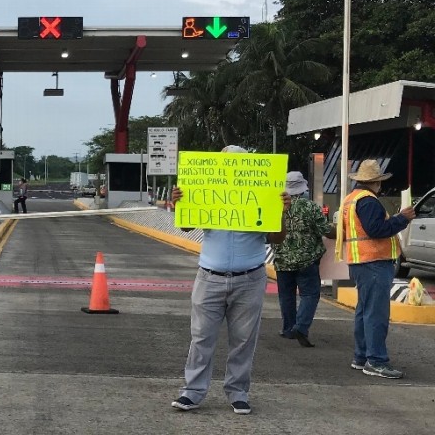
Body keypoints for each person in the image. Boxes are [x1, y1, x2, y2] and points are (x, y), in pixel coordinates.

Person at [171, 145, 291, 415]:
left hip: (250, 278)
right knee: (201, 337)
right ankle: (192, 392)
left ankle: (238, 392)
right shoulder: (209, 193)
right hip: (209, 277)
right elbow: (187, 225)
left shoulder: (264, 195)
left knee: (244, 339)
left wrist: (280, 211)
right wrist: (181, 201)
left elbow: (277, 238)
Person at [337, 159, 415, 379]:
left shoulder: (352, 199)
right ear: (376, 183)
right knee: (376, 314)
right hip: (373, 262)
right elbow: (376, 230)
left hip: (360, 262)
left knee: (364, 312)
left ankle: (362, 357)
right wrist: (402, 219)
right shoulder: (369, 202)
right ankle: (376, 361)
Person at [272, 170, 335, 348]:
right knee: (310, 294)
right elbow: (326, 231)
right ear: (302, 189)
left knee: (286, 296)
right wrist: (340, 230)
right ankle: (301, 327)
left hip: (282, 260)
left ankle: (288, 329)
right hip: (307, 261)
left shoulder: (275, 206)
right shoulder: (310, 207)